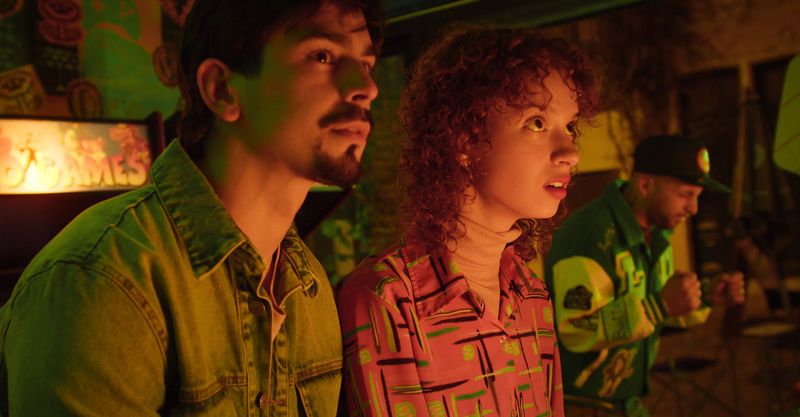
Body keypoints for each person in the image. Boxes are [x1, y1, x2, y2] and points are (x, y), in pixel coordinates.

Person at [0, 0, 382, 415]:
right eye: (322, 55)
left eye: (366, 64)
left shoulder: (308, 286)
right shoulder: (101, 282)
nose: (366, 87)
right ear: (221, 89)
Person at [337, 25, 599, 417]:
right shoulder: (387, 300)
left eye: (571, 127)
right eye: (537, 123)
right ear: (464, 139)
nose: (571, 152)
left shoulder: (533, 296)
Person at [544, 134, 746, 416]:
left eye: (698, 197)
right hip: (583, 405)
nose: (694, 209)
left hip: (626, 401)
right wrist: (658, 305)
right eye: (685, 195)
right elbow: (576, 330)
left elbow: (658, 308)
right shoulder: (591, 235)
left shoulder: (656, 234)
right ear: (645, 184)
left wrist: (706, 296)